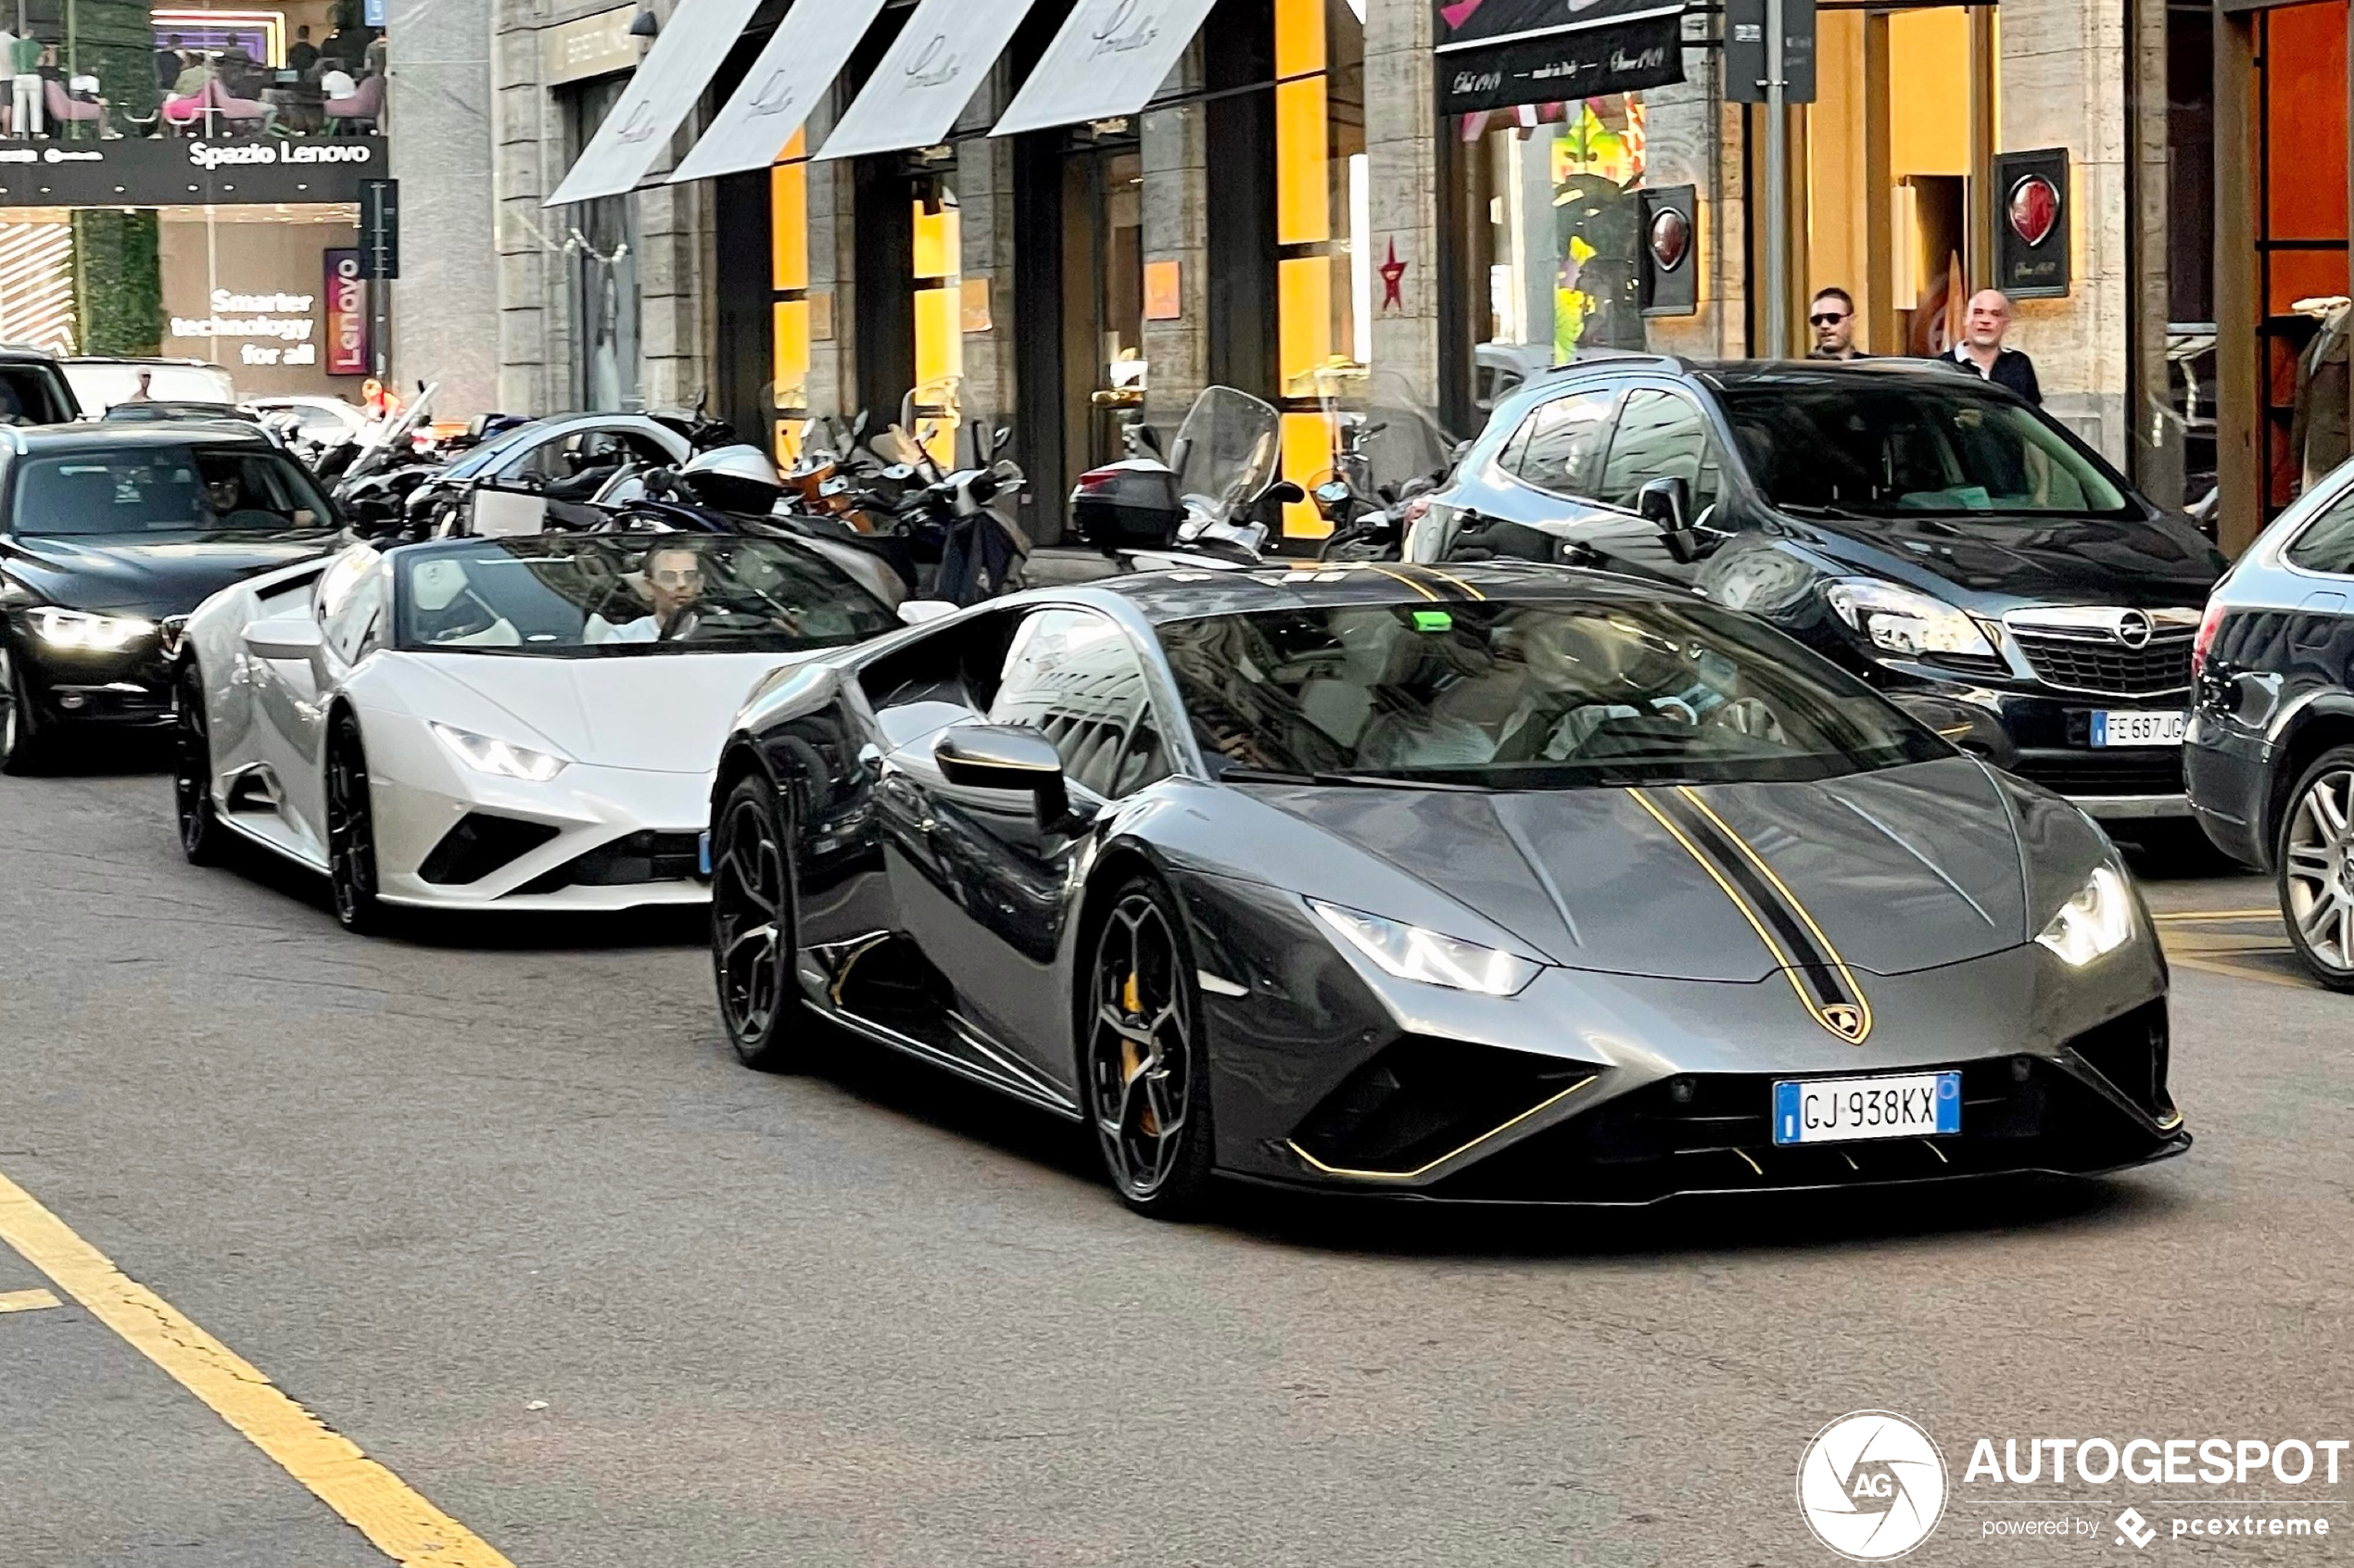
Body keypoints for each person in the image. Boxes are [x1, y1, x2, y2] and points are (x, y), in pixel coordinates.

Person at [588, 544, 707, 643]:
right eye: (668, 577)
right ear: (649, 586)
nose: (682, 584)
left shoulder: (718, 635)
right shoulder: (623, 639)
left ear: (700, 583)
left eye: (690, 576)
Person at [1946, 288, 2043, 405]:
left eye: (1995, 314)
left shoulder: (2019, 364)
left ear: (2006, 324)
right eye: (1978, 312)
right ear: (1965, 319)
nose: (1986, 321)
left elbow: (2032, 414)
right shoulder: (1943, 366)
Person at [1807, 287, 1868, 360]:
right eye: (1817, 320)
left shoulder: (1873, 368)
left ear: (1852, 321)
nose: (1824, 325)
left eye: (1833, 318)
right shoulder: (1799, 370)